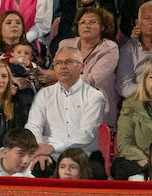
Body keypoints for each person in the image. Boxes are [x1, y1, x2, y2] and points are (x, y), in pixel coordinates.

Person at [25, 47, 106, 176]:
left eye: (69, 62)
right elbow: (33, 125)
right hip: (49, 154)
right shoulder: (44, 94)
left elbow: (86, 134)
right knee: (38, 169)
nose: (63, 67)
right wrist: (40, 148)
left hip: (84, 154)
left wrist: (52, 148)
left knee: (97, 174)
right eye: (58, 63)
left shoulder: (94, 96)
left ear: (82, 67)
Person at [54, 6, 121, 127]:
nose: (87, 25)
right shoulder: (65, 44)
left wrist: (59, 77)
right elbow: (56, 70)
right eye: (83, 22)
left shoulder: (110, 48)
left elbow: (92, 80)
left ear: (103, 27)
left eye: (93, 22)